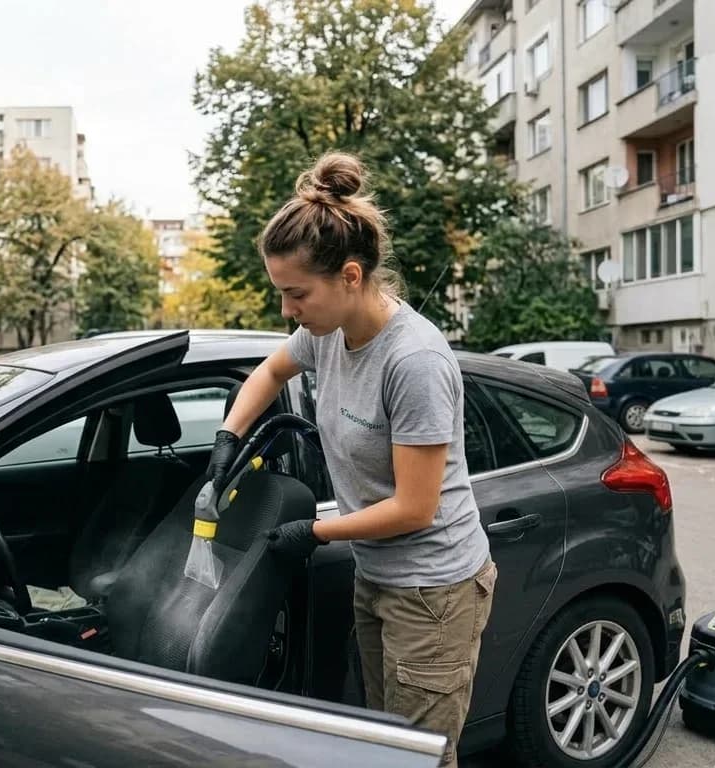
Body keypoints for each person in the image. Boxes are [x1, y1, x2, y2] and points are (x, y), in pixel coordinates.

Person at [205, 152, 496, 767]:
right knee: (383, 740)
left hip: (433, 589)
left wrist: (311, 532)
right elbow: (271, 368)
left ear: (352, 276)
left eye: (296, 293)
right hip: (376, 575)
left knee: (418, 758)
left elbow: (416, 508)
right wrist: (228, 435)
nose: (287, 309)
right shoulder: (325, 333)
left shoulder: (412, 362)